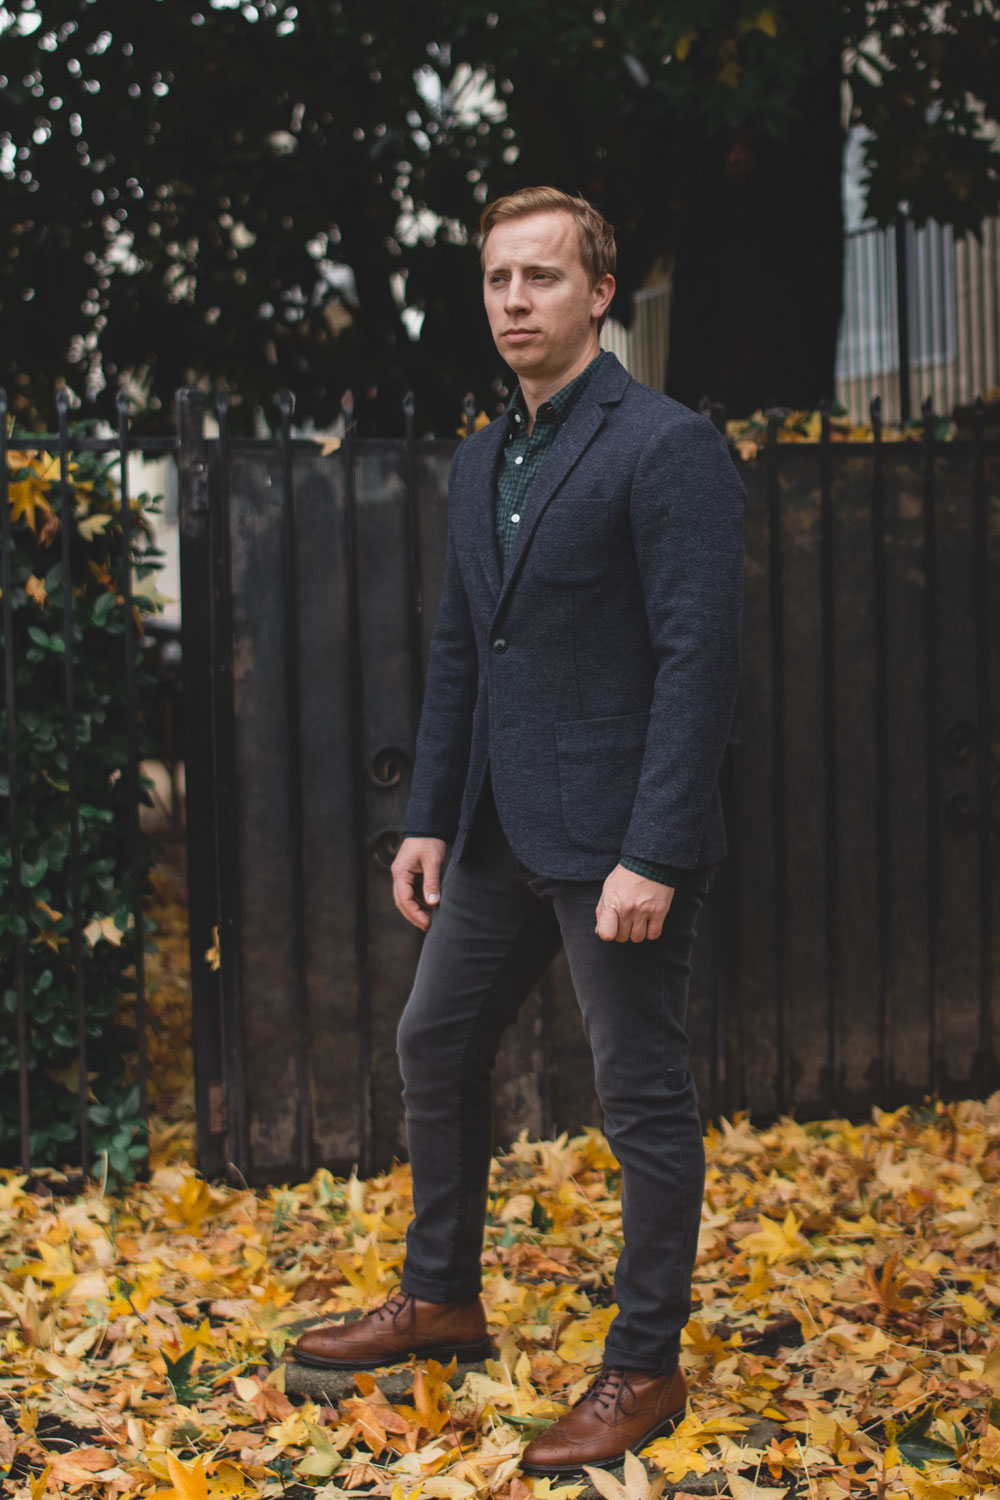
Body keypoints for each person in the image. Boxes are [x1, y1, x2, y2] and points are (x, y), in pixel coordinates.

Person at [292, 186, 746, 1477]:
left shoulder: (667, 447)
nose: (513, 302)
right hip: (497, 829)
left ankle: (642, 1365)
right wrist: (428, 816)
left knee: (641, 1096)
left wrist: (654, 849)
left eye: (541, 278)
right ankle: (440, 1300)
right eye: (498, 279)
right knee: (433, 1037)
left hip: (619, 844)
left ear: (600, 293)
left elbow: (699, 660)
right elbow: (461, 653)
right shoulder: (485, 455)